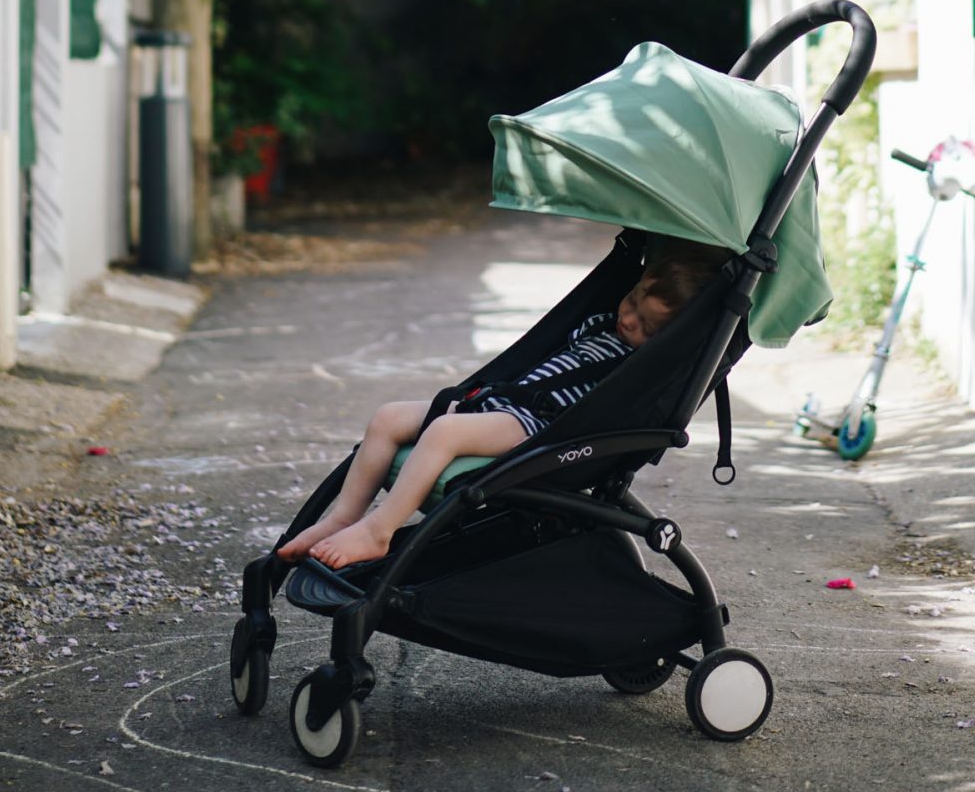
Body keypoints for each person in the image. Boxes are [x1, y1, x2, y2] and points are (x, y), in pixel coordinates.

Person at [278, 244, 729, 569]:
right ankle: (342, 516)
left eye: (645, 327)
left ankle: (380, 531)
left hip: (539, 427)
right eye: (631, 300)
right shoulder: (602, 325)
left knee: (442, 435)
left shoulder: (645, 367)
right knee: (388, 417)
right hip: (501, 403)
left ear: (665, 341)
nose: (627, 318)